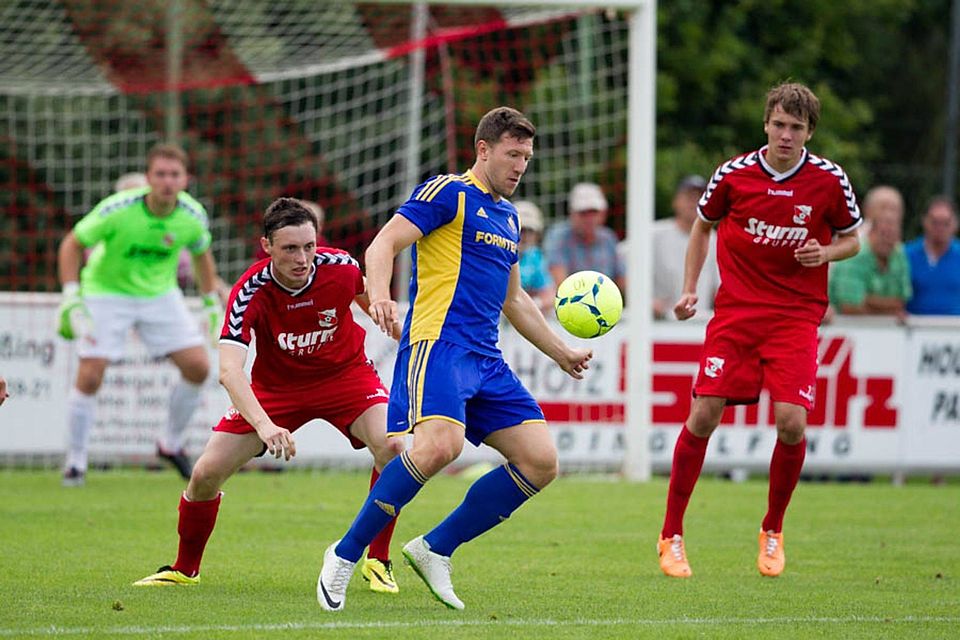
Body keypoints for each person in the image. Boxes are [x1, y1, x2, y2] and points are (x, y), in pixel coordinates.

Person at [317, 106, 593, 612]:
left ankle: (435, 547)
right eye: (513, 154)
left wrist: (561, 352)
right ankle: (345, 553)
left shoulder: (509, 216)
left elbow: (514, 300)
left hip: (486, 359)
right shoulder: (447, 192)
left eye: (527, 157)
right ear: (483, 149)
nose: (520, 166)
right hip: (437, 346)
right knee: (439, 447)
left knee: (541, 462)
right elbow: (381, 246)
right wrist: (379, 295)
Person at [133, 198, 405, 593]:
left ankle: (377, 560)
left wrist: (404, 333)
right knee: (205, 474)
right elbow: (229, 370)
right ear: (267, 247)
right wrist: (265, 425)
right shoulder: (249, 291)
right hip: (277, 390)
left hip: (346, 377)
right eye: (290, 249)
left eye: (309, 246)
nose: (303, 258)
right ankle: (183, 569)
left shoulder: (341, 267)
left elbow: (371, 304)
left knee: (394, 447)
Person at [658, 82, 862, 579]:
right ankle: (671, 534)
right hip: (736, 313)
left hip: (795, 315)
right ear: (766, 124)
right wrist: (691, 290)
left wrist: (827, 253)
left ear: (809, 131)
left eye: (796, 127)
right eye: (779, 124)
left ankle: (772, 528)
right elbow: (702, 226)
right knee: (704, 412)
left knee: (792, 421)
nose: (786, 134)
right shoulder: (734, 175)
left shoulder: (829, 180)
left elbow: (853, 239)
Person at [56, 143, 226, 486]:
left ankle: (170, 443)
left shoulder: (191, 216)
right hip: (106, 292)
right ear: (148, 178)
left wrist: (210, 302)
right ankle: (75, 463)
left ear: (185, 179)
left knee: (199, 367)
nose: (167, 181)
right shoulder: (118, 209)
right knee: (91, 373)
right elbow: (72, 243)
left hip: (159, 295)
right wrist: (72, 297)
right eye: (160, 174)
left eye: (174, 175)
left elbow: (201, 253)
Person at [829, 186, 911, 317]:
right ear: (868, 210)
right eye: (883, 207)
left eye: (895, 209)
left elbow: (901, 302)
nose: (890, 213)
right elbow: (849, 306)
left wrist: (868, 301)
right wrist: (888, 308)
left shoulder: (898, 250)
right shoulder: (852, 245)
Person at [651, 175, 720, 320]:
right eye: (688, 196)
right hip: (656, 323)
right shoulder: (653, 234)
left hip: (699, 324)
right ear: (675, 201)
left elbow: (719, 288)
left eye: (699, 196)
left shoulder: (717, 240)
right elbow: (622, 269)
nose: (693, 201)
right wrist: (644, 300)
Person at [543, 182, 625, 293]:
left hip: (606, 303)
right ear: (572, 213)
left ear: (603, 213)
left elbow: (623, 279)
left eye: (593, 212)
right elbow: (560, 284)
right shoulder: (558, 237)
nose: (589, 218)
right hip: (571, 303)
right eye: (583, 213)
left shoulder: (608, 238)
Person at [905, 197, 960, 315]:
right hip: (914, 329)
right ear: (924, 221)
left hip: (955, 329)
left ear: (955, 224)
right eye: (935, 222)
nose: (940, 228)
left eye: (946, 223)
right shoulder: (906, 254)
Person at [514, 200, 553, 311]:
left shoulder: (535, 256)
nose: (525, 236)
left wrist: (536, 304)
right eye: (521, 230)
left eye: (530, 231)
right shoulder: (497, 254)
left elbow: (549, 294)